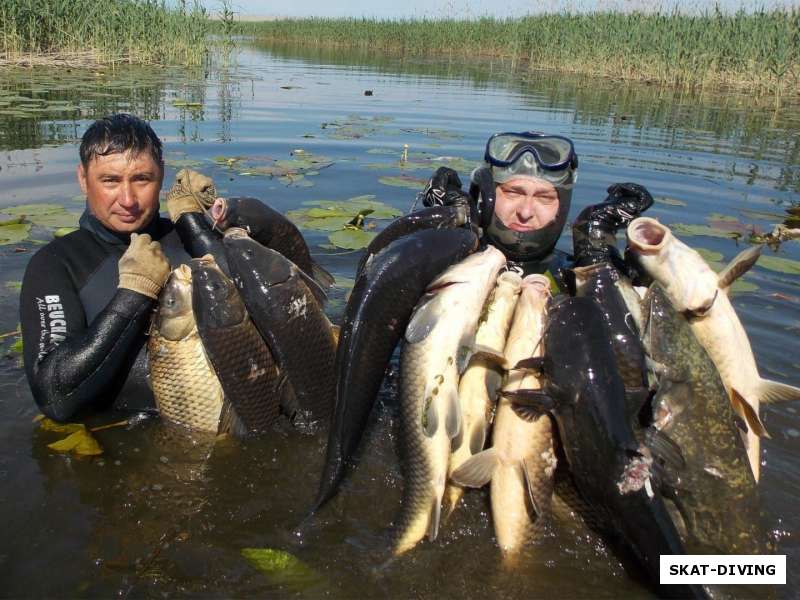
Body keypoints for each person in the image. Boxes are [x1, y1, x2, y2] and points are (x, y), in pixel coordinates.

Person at [19, 114, 219, 422]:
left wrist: (219, 225)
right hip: (122, 444)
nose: (127, 200)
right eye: (110, 180)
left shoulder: (190, 238)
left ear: (162, 176)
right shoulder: (56, 264)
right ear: (83, 179)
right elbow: (55, 398)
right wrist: (133, 294)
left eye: (142, 179)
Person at [421, 131, 653, 284]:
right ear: (485, 194)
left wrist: (596, 248)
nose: (525, 211)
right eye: (513, 192)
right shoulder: (443, 264)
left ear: (563, 206)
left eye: (544, 198)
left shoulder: (574, 275)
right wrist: (445, 233)